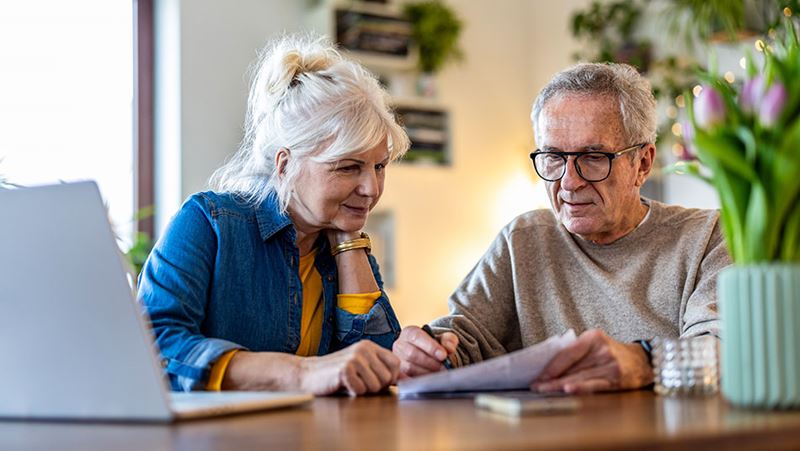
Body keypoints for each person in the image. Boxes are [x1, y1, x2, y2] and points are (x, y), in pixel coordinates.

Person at [392, 62, 731, 394]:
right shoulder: (523, 239)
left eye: (593, 157)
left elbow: (724, 349)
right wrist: (429, 352)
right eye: (554, 157)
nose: (569, 182)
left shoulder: (708, 236)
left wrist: (644, 360)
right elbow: (463, 337)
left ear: (642, 164)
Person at [138, 34, 410, 396]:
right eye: (348, 168)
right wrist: (298, 374)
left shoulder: (342, 241)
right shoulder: (209, 223)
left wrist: (349, 243)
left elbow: (373, 371)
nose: (371, 189)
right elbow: (153, 346)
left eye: (379, 166)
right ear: (285, 165)